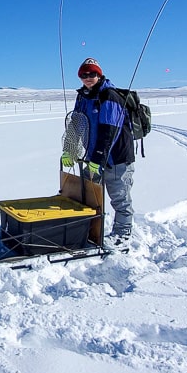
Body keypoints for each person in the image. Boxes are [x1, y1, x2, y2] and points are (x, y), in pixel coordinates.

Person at [61, 58, 135, 253]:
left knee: (120, 197)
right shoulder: (83, 96)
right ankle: (88, 230)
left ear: (99, 75)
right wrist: (69, 149)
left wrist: (97, 159)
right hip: (94, 157)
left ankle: (122, 235)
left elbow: (109, 131)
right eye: (84, 75)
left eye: (92, 74)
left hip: (116, 158)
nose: (88, 78)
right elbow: (75, 124)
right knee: (87, 195)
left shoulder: (109, 96)